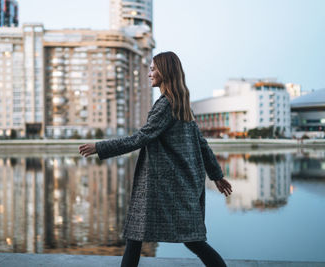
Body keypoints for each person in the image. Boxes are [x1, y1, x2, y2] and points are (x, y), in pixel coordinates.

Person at [79, 51, 232, 267]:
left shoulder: (166, 105)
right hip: (177, 184)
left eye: (153, 69)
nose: (149, 73)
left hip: (165, 186)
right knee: (156, 238)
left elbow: (140, 138)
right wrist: (216, 175)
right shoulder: (180, 105)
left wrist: (100, 147)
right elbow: (202, 144)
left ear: (165, 72)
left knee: (185, 240)